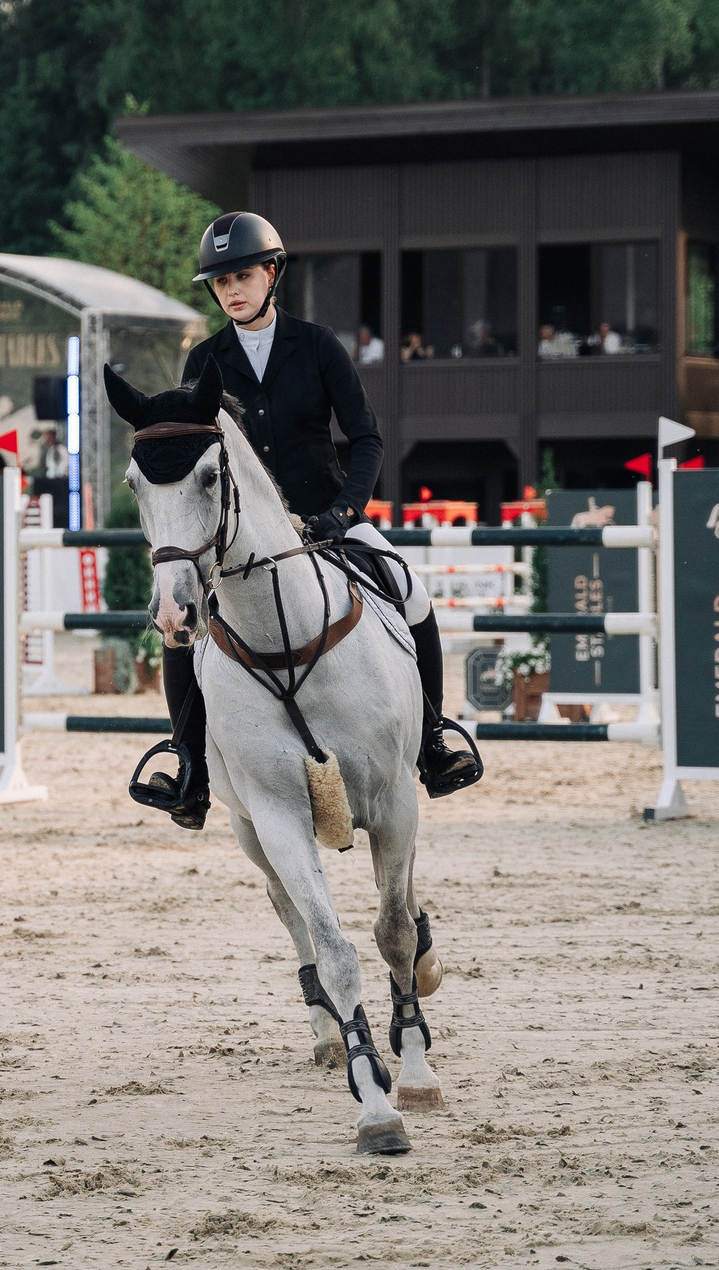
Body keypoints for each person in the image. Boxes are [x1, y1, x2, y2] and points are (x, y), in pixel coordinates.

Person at [132, 210, 483, 841]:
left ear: (271, 274)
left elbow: (367, 438)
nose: (232, 290)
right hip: (243, 539)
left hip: (328, 518)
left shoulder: (318, 346)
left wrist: (343, 511)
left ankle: (433, 740)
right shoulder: (205, 361)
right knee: (181, 630)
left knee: (411, 590)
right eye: (221, 282)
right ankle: (188, 766)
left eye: (242, 276)